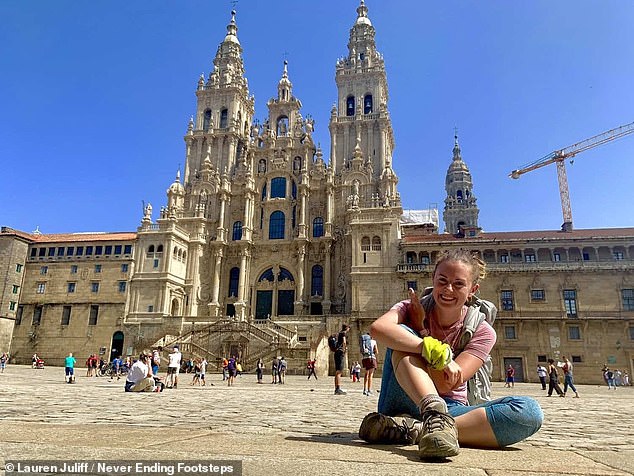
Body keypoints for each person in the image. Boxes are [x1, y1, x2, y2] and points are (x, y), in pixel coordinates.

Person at [359, 249, 543, 460]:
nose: (448, 290)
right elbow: (378, 329)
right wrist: (424, 340)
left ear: (473, 289)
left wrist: (424, 334)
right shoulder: (410, 309)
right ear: (433, 280)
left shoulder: (482, 331)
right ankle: (433, 420)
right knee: (403, 336)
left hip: (449, 409)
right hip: (402, 400)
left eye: (458, 284)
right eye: (442, 281)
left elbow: (446, 385)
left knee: (529, 412)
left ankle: (418, 429)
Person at [334, 324, 350, 395]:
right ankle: (338, 389)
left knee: (337, 371)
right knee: (339, 372)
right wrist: (344, 350)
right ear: (347, 328)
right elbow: (344, 342)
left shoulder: (338, 333)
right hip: (340, 352)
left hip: (336, 352)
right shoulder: (343, 333)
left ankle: (336, 388)